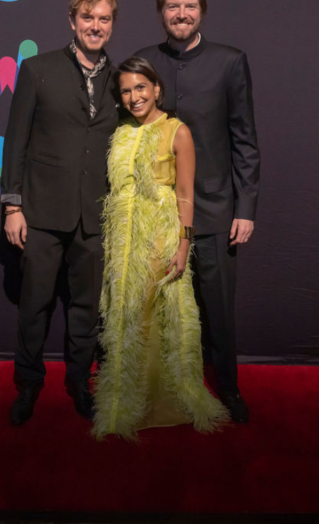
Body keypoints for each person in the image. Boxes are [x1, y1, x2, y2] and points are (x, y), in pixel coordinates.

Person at [135, 0, 260, 423]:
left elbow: (244, 140)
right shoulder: (142, 62)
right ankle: (161, 389)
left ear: (201, 9)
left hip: (213, 212)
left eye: (189, 5)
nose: (181, 14)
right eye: (172, 6)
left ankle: (228, 388)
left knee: (218, 311)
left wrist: (245, 208)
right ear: (161, 12)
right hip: (156, 213)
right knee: (156, 310)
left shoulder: (230, 62)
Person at [0, 0, 121, 425]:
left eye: (103, 18)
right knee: (34, 306)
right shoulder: (37, 69)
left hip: (96, 215)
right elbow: (15, 143)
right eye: (87, 17)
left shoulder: (124, 79)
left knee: (87, 310)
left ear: (112, 24)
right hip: (42, 214)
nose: (95, 26)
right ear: (72, 20)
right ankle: (28, 385)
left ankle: (78, 382)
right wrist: (13, 207)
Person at [92, 57, 228, 441]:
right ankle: (125, 402)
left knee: (155, 315)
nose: (134, 97)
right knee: (124, 314)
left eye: (140, 88)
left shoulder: (177, 131)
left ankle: (163, 401)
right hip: (122, 239)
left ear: (156, 88)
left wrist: (184, 244)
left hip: (160, 236)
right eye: (126, 91)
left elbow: (185, 193)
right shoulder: (121, 132)